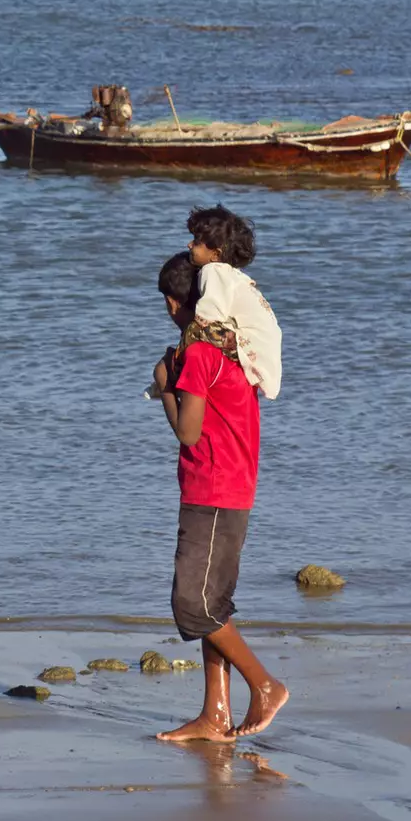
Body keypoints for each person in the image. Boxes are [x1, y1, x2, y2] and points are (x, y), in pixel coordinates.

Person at [148, 251, 289, 742]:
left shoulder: (200, 355)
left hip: (213, 490)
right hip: (229, 488)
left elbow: (188, 433)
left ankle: (265, 685)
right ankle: (215, 713)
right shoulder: (231, 348)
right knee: (214, 604)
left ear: (173, 303)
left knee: (194, 607)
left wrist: (166, 386)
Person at [186, 204, 281, 401]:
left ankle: (173, 380)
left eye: (196, 242)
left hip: (247, 345)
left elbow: (208, 317)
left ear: (216, 254)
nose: (189, 245)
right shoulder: (233, 275)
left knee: (193, 333)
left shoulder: (212, 271)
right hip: (262, 346)